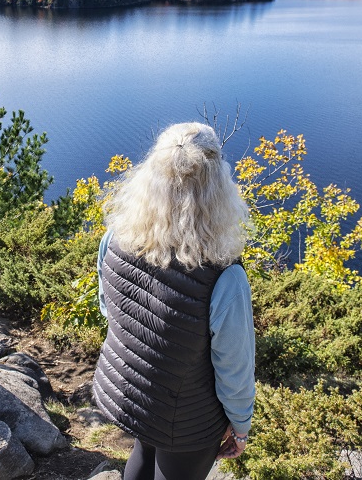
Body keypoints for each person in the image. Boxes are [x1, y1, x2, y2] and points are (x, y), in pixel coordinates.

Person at [92, 122, 256, 480]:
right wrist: (240, 425)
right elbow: (234, 367)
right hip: (188, 417)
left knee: (143, 450)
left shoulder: (116, 239)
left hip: (132, 393)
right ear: (217, 185)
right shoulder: (224, 276)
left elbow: (110, 310)